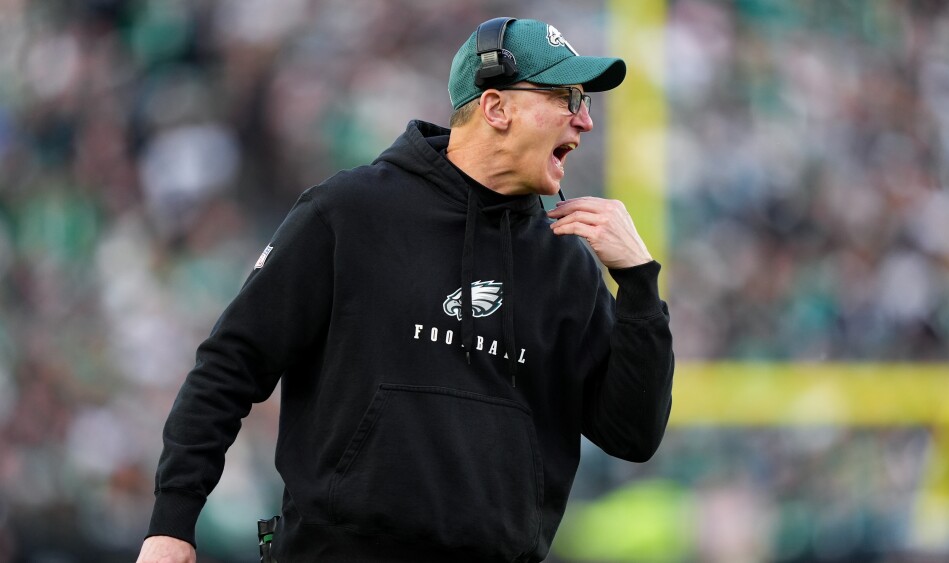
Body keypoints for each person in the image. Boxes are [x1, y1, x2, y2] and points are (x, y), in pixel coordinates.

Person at [136, 17, 675, 563]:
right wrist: (171, 524)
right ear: (495, 108)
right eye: (566, 98)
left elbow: (633, 435)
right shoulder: (350, 212)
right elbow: (230, 366)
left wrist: (638, 282)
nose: (585, 120)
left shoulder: (566, 262)